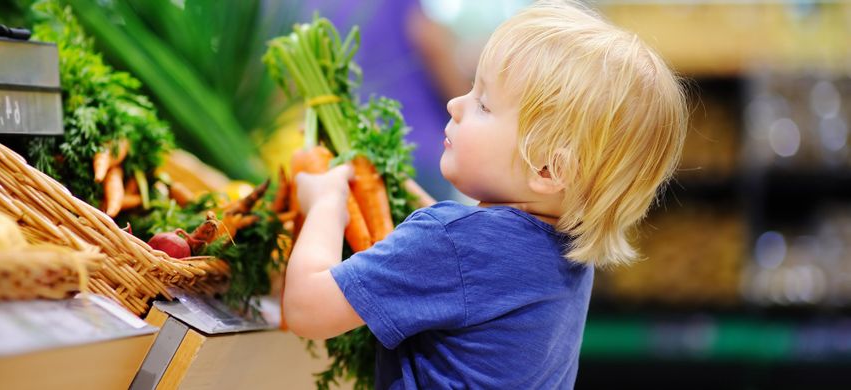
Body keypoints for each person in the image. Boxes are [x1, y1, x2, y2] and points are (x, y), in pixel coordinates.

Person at [284, 1, 688, 388]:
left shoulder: (451, 243)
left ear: (549, 170)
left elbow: (306, 309)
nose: (455, 103)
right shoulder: (565, 251)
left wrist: (325, 204)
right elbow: (470, 265)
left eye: (483, 104)